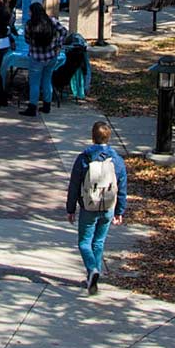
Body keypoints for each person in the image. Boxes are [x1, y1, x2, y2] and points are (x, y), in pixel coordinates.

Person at [66, 121, 128, 295]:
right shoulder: (117, 160)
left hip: (88, 206)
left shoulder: (84, 158)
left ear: (92, 137)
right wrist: (119, 211)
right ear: (109, 137)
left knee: (84, 242)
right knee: (98, 242)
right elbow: (122, 187)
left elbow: (74, 185)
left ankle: (92, 269)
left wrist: (70, 208)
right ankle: (94, 276)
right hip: (108, 206)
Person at [21, 2, 67, 116]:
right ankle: (47, 105)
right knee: (47, 80)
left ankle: (32, 107)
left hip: (36, 58)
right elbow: (64, 31)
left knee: (34, 83)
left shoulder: (29, 25)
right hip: (51, 56)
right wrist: (58, 44)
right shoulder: (52, 21)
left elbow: (27, 40)